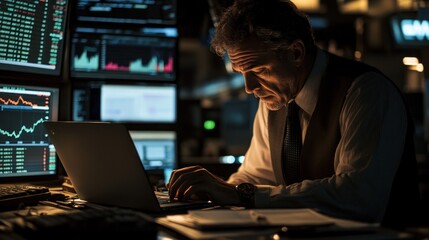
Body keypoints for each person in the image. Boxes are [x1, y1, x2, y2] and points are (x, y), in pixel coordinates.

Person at [168, 0, 421, 227]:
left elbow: (359, 198)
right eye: (241, 73)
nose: (249, 88)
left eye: (259, 70)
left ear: (296, 53)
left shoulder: (365, 92)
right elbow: (256, 176)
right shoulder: (275, 100)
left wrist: (239, 194)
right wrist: (213, 190)